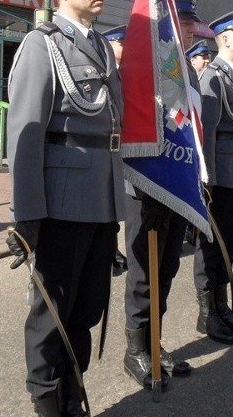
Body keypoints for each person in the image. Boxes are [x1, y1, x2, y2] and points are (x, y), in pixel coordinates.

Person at [5, 0, 124, 417]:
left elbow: (110, 129)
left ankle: (72, 392)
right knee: (51, 311)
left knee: (87, 306)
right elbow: (25, 134)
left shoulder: (99, 46)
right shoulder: (43, 44)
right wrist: (27, 213)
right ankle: (48, 402)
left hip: (100, 197)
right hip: (61, 199)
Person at [122, 0, 200, 389]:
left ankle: (155, 340)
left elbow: (190, 131)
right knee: (143, 272)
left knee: (167, 266)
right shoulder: (147, 62)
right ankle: (136, 348)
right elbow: (134, 122)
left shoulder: (186, 68)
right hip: (147, 185)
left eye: (190, 25)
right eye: (184, 24)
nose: (189, 31)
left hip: (177, 183)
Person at [194, 8, 233, 344]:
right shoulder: (213, 78)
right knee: (211, 248)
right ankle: (207, 314)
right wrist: (208, 180)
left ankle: (221, 305)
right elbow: (207, 135)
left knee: (229, 242)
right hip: (221, 175)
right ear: (226, 39)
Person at [103, 25, 130, 278]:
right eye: (122, 42)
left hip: (120, 148)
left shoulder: (125, 74)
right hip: (108, 150)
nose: (126, 46)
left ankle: (112, 247)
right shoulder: (110, 72)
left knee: (115, 200)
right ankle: (111, 249)